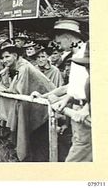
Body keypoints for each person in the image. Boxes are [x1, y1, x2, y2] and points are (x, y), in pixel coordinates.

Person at [0, 41, 56, 161]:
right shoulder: (17, 66)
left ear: (15, 56)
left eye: (7, 56)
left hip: (46, 103)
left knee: (40, 139)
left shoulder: (24, 67)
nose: (4, 60)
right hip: (36, 101)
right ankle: (22, 153)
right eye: (3, 58)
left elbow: (18, 91)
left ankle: (27, 158)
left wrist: (3, 90)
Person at [37, 19, 91, 162]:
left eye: (57, 37)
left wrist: (86, 108)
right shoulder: (76, 55)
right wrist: (44, 96)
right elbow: (72, 87)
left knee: (76, 159)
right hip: (77, 110)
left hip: (85, 112)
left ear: (68, 35)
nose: (56, 42)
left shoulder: (88, 53)